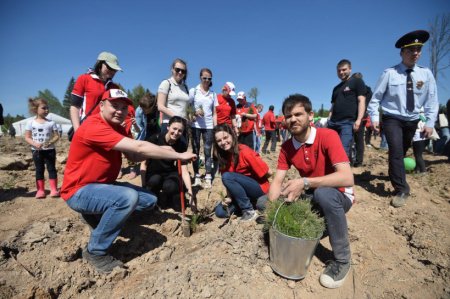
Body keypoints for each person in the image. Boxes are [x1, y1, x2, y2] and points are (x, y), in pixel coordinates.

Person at [60, 89, 196, 274]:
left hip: (103, 186)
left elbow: (133, 154)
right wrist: (179, 155)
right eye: (114, 105)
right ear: (101, 106)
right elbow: (139, 146)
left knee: (149, 200)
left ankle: (102, 217)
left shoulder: (118, 128)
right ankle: (96, 251)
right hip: (79, 191)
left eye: (123, 107)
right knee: (127, 198)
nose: (119, 111)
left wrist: (165, 150)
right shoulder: (94, 126)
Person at [268, 94, 354, 289]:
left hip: (339, 193)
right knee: (267, 200)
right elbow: (277, 181)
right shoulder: (287, 147)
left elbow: (347, 178)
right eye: (288, 116)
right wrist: (272, 211)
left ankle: (342, 260)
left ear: (310, 115)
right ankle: (320, 228)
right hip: (313, 193)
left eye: (298, 114)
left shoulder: (327, 136)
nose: (293, 119)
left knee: (323, 194)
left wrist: (305, 182)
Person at [367, 30, 439, 208]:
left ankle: (394, 174)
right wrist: (375, 118)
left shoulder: (426, 74)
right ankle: (402, 188)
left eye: (418, 49)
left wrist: (430, 123)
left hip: (412, 120)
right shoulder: (389, 73)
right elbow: (375, 98)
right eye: (410, 50)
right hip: (392, 118)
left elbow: (432, 100)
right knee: (396, 151)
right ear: (402, 52)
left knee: (400, 151)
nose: (415, 53)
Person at [213, 124, 271, 221]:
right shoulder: (223, 157)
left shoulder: (244, 151)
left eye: (225, 137)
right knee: (220, 212)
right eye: (219, 140)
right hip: (242, 193)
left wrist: (274, 192)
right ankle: (250, 203)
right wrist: (230, 198)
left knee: (227, 176)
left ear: (232, 135)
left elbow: (268, 172)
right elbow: (229, 183)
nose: (223, 142)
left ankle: (248, 211)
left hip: (258, 188)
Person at [143, 116, 195, 210]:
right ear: (168, 127)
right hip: (154, 172)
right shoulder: (155, 139)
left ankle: (167, 197)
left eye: (180, 131)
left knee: (171, 190)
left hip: (169, 172)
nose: (176, 133)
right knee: (154, 181)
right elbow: (144, 164)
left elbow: (184, 170)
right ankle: (156, 196)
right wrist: (143, 185)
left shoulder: (181, 144)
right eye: (174, 128)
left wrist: (190, 193)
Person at [70, 51, 121, 133]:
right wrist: (77, 131)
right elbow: (75, 107)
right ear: (100, 64)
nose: (112, 71)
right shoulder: (84, 79)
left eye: (115, 69)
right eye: (109, 67)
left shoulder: (115, 88)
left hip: (107, 131)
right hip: (86, 129)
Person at [328, 59, 367, 161]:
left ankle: (342, 174)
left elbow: (361, 100)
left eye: (344, 70)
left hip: (347, 122)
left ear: (350, 69)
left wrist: (359, 120)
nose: (341, 72)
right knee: (329, 148)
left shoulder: (357, 81)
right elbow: (332, 106)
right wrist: (328, 119)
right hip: (332, 123)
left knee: (343, 149)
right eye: (339, 70)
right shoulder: (336, 88)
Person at [24, 98, 60, 198]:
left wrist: (50, 142)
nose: (46, 110)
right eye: (44, 108)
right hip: (37, 151)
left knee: (51, 168)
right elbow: (27, 137)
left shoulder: (51, 123)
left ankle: (53, 189)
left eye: (47, 108)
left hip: (50, 150)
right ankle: (40, 190)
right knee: (39, 169)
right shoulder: (31, 123)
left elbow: (57, 136)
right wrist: (34, 143)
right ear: (36, 109)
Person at [188, 68, 217, 189]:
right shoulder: (193, 91)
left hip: (209, 126)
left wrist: (215, 126)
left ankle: (208, 176)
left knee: (207, 151)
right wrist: (193, 114)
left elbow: (214, 113)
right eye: (204, 78)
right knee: (195, 150)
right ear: (200, 77)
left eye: (209, 78)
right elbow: (188, 108)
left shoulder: (213, 94)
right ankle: (197, 176)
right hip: (195, 126)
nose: (206, 80)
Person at [157, 58, 190, 143]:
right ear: (172, 69)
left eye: (183, 71)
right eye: (177, 70)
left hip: (183, 127)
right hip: (169, 125)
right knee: (166, 153)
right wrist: (177, 118)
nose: (180, 72)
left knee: (181, 152)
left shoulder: (185, 87)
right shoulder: (166, 83)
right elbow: (160, 106)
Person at [351, 72, 373, 166]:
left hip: (355, 116)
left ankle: (354, 160)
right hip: (362, 116)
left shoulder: (359, 90)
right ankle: (358, 161)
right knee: (359, 139)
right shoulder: (368, 90)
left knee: (353, 139)